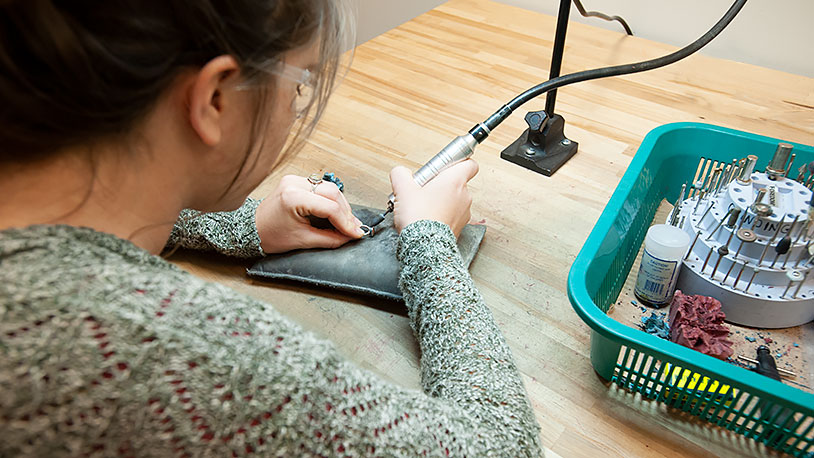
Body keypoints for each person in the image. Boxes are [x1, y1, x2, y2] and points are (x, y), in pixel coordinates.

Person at [0, 0, 542, 456]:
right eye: (300, 82)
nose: (297, 102)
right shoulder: (174, 352)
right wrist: (430, 244)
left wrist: (239, 227)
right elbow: (497, 445)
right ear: (215, 97)